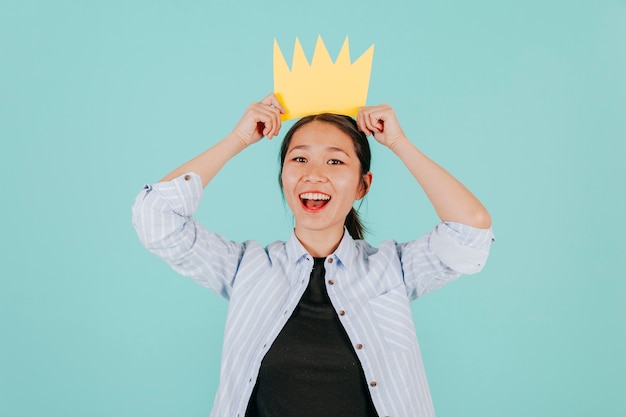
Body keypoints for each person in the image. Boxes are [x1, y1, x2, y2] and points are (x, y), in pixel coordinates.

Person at [132, 93, 494, 417]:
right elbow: (156, 218)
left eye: (335, 162)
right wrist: (238, 139)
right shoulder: (245, 268)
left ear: (362, 185)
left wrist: (398, 143)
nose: (314, 174)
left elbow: (471, 231)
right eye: (300, 159)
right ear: (283, 178)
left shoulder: (393, 270)